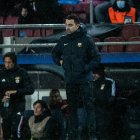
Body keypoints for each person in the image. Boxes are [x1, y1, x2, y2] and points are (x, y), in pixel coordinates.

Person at [52, 14, 101, 140]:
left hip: (85, 80)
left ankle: (92, 136)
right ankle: (73, 136)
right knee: (72, 109)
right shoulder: (63, 40)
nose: (67, 27)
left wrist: (85, 68)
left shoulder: (87, 40)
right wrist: (60, 62)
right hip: (70, 80)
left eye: (70, 25)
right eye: (66, 25)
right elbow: (54, 54)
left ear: (77, 25)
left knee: (89, 108)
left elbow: (96, 59)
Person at [0, 52, 34, 140]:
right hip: (5, 109)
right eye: (5, 62)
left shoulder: (22, 73)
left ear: (14, 62)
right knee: (5, 133)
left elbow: (30, 89)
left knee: (16, 131)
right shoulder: (1, 73)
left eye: (9, 62)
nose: (6, 64)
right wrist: (2, 98)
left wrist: (15, 92)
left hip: (18, 108)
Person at [91, 64, 116, 140]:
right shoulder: (90, 82)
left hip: (104, 112)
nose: (93, 75)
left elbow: (112, 97)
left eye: (95, 73)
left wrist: (101, 102)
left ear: (100, 73)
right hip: (92, 112)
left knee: (103, 131)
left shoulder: (109, 82)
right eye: (93, 73)